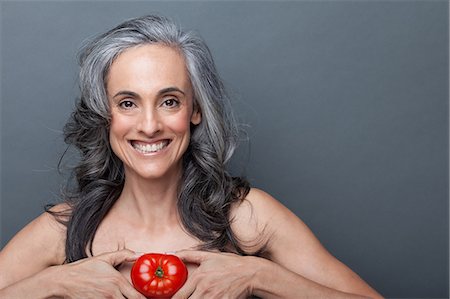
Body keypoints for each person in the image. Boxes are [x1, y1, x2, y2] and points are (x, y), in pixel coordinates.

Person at [0, 15, 382, 298]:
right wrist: (53, 283)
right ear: (105, 116)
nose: (149, 126)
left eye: (169, 101)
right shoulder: (66, 229)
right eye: (127, 103)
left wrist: (259, 275)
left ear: (195, 110)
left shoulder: (247, 217)